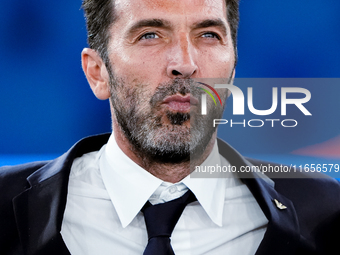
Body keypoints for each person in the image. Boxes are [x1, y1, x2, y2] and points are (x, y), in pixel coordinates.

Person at [0, 0, 339, 254]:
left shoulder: (325, 211)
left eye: (208, 34)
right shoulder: (6, 206)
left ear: (233, 70)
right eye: (150, 35)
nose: (185, 64)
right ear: (97, 73)